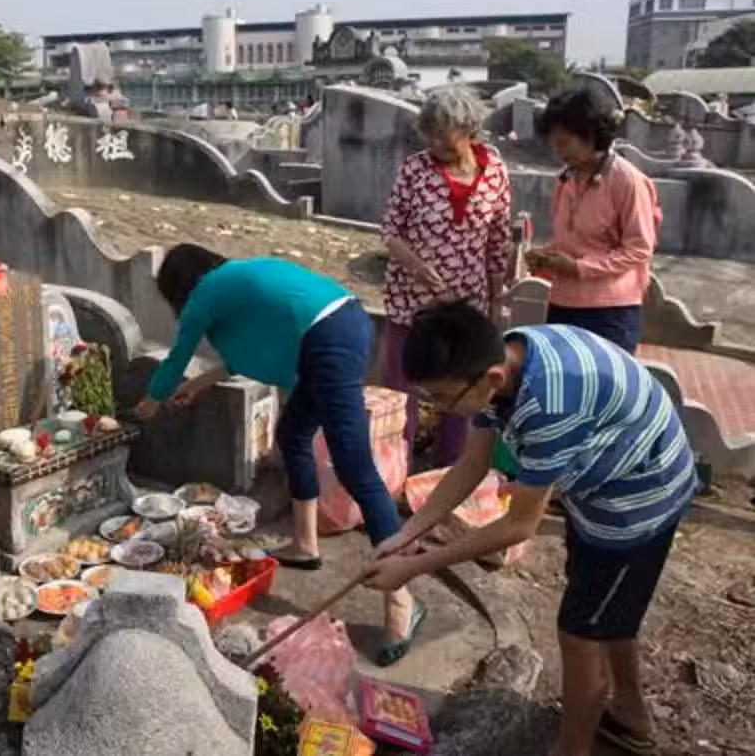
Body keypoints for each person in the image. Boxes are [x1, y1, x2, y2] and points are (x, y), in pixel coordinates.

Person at [364, 301, 694, 756]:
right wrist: (407, 535)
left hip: (639, 500)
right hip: (603, 482)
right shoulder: (498, 358)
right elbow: (472, 463)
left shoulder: (549, 405)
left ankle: (572, 749)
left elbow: (518, 526)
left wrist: (414, 566)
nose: (439, 408)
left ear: (492, 378)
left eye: (442, 397)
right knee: (607, 611)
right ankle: (631, 717)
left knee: (579, 635)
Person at [135, 245, 422, 665]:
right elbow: (240, 358)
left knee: (355, 466)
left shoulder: (207, 291)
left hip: (330, 336)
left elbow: (177, 357)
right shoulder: (236, 285)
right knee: (293, 434)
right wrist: (195, 387)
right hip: (332, 332)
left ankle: (401, 598)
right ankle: (306, 544)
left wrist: (149, 402)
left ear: (179, 286)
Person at [381, 85, 512, 468]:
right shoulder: (415, 170)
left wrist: (495, 300)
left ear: (469, 129)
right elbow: (390, 232)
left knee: (462, 390)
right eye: (430, 134)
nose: (436, 143)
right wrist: (418, 268)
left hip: (465, 303)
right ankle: (394, 469)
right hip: (412, 300)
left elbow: (498, 240)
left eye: (444, 134)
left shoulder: (495, 172)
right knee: (401, 389)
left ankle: (448, 472)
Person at [526, 89, 661, 353]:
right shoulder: (566, 179)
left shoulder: (627, 181)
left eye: (564, 142)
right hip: (564, 302)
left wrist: (579, 267)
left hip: (610, 311)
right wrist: (546, 255)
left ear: (590, 136)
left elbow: (639, 249)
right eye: (553, 143)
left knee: (605, 378)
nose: (557, 150)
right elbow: (572, 240)